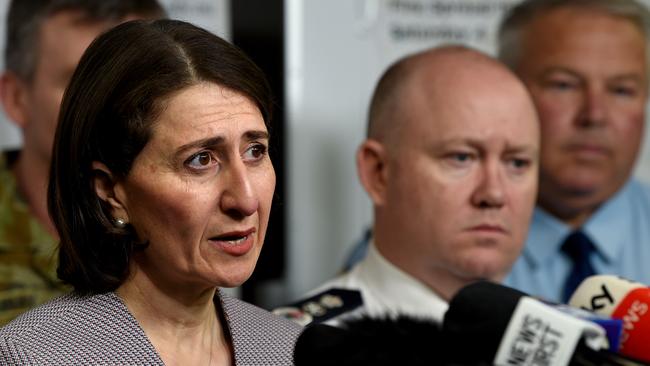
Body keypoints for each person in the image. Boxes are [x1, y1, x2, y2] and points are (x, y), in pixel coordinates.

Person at [0, 19, 301, 365]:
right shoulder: (32, 356)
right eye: (201, 160)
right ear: (111, 189)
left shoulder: (290, 348)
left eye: (255, 151)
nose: (246, 200)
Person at [276, 46, 540, 326]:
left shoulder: (566, 342)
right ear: (378, 172)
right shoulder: (290, 345)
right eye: (461, 158)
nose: (494, 194)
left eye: (517, 163)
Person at [0, 0, 166, 324]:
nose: (116, 105)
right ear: (18, 98)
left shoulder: (186, 216)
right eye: (82, 83)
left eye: (137, 81)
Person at [498, 0, 650, 303]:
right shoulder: (441, 250)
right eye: (564, 85)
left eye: (621, 90)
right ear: (505, 91)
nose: (594, 115)